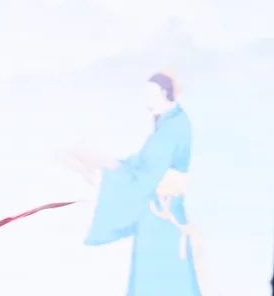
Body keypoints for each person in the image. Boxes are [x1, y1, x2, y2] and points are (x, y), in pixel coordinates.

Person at [61, 72, 204, 296]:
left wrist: (106, 167)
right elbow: (141, 164)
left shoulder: (173, 128)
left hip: (162, 216)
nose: (147, 101)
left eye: (151, 95)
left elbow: (146, 178)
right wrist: (109, 163)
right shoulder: (169, 124)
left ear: (165, 93)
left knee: (163, 282)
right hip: (157, 215)